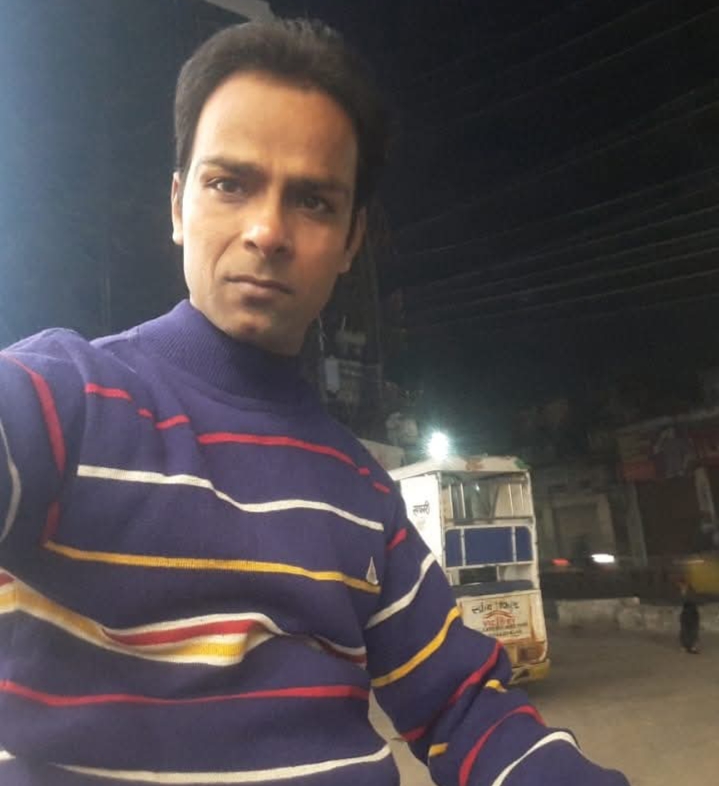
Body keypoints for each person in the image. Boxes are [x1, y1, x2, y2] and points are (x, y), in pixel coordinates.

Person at [0, 18, 630, 785]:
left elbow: (463, 708)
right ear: (177, 206)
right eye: (229, 184)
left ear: (352, 241)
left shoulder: (361, 493)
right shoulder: (61, 401)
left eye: (312, 201)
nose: (267, 231)